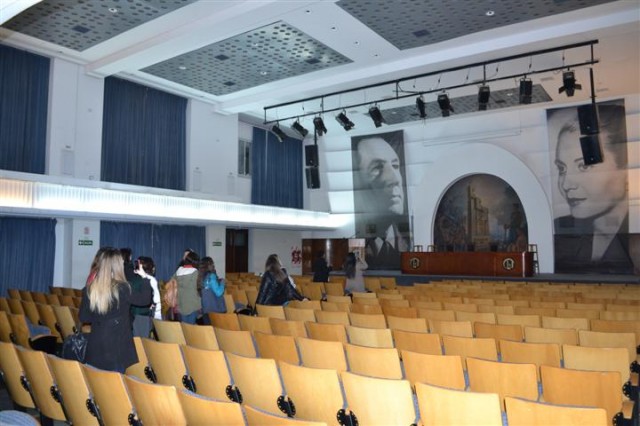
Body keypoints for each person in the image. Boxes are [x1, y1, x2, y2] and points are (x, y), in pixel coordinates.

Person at [549, 102, 634, 274]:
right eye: (562, 169)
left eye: (583, 166)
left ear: (624, 169)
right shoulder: (561, 232)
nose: (566, 185)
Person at [79, 247, 152, 372]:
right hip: (116, 349)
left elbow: (84, 317)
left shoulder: (89, 289)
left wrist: (101, 318)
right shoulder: (122, 288)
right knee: (115, 388)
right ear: (117, 265)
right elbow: (145, 300)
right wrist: (145, 278)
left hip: (95, 346)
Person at [352, 133, 410, 269]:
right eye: (377, 168)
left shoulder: (407, 242)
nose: (395, 179)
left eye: (395, 166)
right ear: (358, 182)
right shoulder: (359, 243)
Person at [171, 250, 201, 323]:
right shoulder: (195, 272)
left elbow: (172, 282)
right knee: (191, 328)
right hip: (192, 304)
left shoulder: (179, 270)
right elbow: (197, 287)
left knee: (184, 327)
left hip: (181, 303)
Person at [198, 256, 226, 322]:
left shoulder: (200, 277)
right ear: (209, 265)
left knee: (209, 331)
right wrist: (222, 283)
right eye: (212, 263)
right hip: (215, 309)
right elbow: (219, 292)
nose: (213, 265)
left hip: (205, 309)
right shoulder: (211, 276)